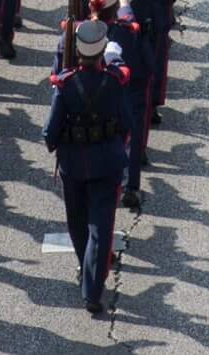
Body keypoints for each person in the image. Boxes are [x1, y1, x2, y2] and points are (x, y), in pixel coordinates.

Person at [45, 18, 135, 314]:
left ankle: (88, 273)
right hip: (106, 161)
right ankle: (92, 290)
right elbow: (126, 123)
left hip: (73, 163)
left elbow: (50, 131)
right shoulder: (113, 81)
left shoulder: (66, 83)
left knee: (78, 222)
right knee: (100, 227)